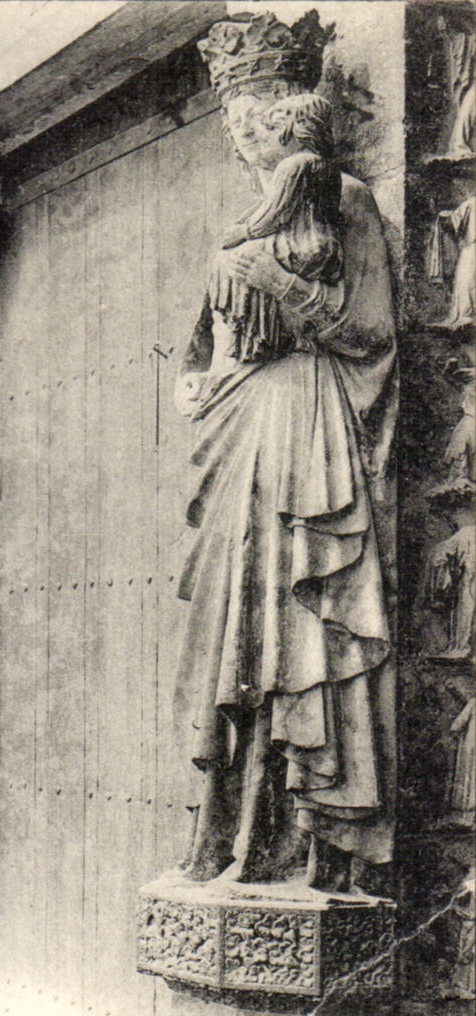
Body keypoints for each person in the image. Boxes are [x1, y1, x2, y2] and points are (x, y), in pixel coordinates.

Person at [176, 12, 397, 889]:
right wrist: (199, 386)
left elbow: (374, 328)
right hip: (241, 436)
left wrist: (285, 293)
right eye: (238, 121)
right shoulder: (242, 221)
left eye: (258, 115)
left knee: (300, 628)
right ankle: (230, 829)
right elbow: (200, 349)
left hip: (310, 431)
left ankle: (313, 835)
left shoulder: (347, 205)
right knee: (238, 636)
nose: (247, 135)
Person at [199, 93, 341, 393]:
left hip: (299, 378)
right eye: (237, 122)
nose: (250, 131)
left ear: (294, 131)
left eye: (266, 123)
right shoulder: (321, 167)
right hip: (318, 245)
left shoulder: (299, 168)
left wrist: (249, 240)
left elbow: (276, 212)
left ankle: (256, 339)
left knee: (242, 257)